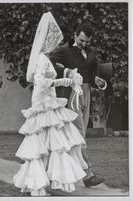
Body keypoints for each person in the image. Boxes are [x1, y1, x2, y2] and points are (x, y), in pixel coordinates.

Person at [13, 12, 88, 196]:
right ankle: (44, 182)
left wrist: (66, 79)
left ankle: (49, 181)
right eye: (53, 40)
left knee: (51, 144)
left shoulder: (45, 58)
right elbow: (39, 82)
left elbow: (46, 79)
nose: (55, 44)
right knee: (51, 144)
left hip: (48, 102)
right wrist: (59, 83)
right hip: (44, 104)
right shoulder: (41, 59)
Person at [50, 23, 106, 187]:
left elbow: (93, 72)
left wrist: (98, 81)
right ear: (75, 36)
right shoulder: (63, 51)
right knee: (79, 134)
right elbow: (51, 66)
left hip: (87, 93)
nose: (84, 44)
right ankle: (88, 175)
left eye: (87, 42)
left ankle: (59, 172)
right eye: (81, 40)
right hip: (71, 94)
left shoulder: (92, 51)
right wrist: (67, 72)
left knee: (79, 135)